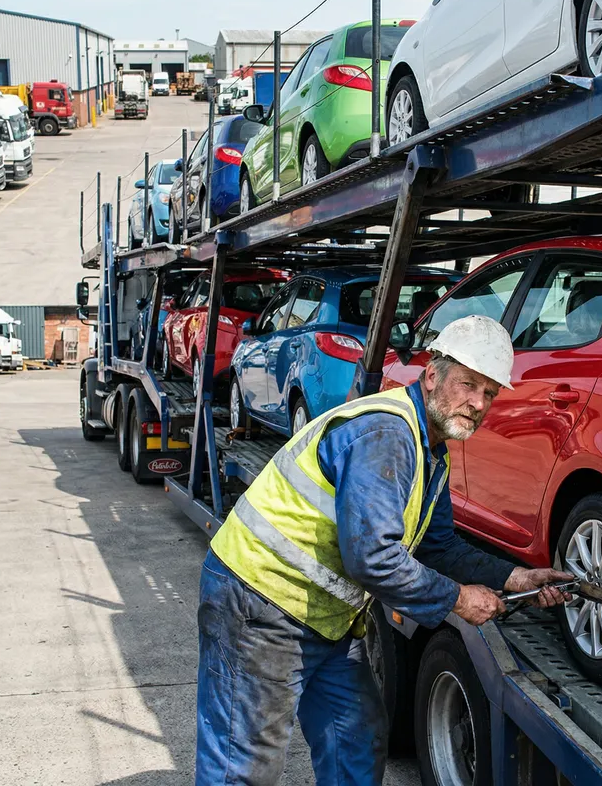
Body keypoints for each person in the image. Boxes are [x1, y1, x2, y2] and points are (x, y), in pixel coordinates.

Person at [195, 314, 573, 786]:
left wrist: (515, 577)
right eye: (468, 384)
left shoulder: (429, 449)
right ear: (432, 375)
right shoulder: (388, 434)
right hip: (258, 605)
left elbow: (438, 547)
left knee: (355, 737)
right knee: (244, 766)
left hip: (322, 618)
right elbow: (372, 558)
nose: (477, 403)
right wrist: (458, 599)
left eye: (490, 393)